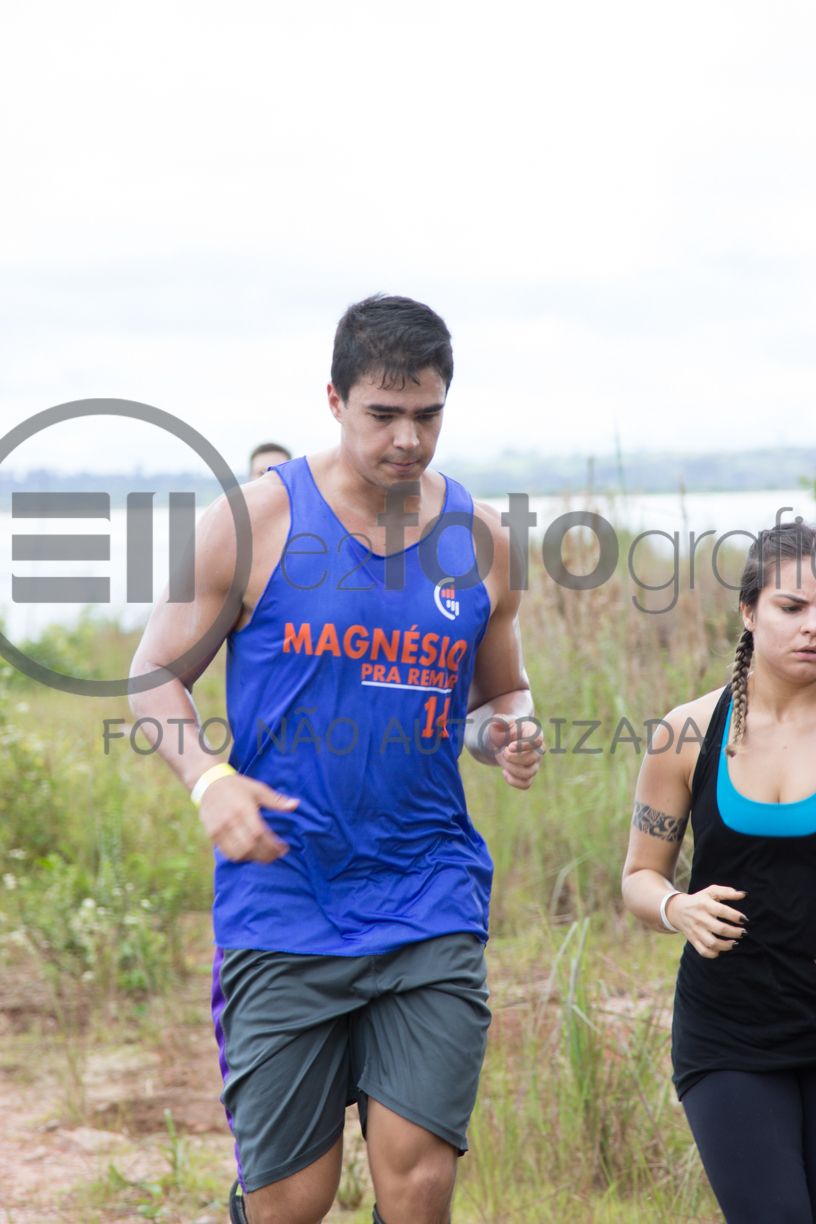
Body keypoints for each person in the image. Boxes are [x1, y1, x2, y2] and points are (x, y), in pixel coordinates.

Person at [129, 294, 544, 1224]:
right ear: (334, 399)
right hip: (284, 898)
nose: (408, 439)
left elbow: (497, 695)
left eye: (428, 415)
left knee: (418, 1182)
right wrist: (209, 780)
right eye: (383, 414)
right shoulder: (254, 522)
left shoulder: (480, 541)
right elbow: (152, 679)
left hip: (428, 890)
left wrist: (510, 731)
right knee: (292, 1203)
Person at [622, 521, 816, 1224]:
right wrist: (678, 908)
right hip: (729, 1032)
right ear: (748, 612)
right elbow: (639, 877)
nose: (812, 626)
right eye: (792, 607)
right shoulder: (685, 732)